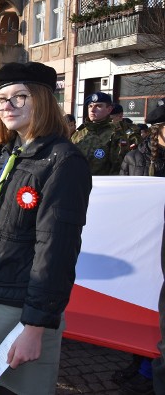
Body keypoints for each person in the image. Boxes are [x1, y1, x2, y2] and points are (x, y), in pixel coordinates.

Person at [0, 62, 92, 395]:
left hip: (26, 307)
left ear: (44, 101)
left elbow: (56, 251)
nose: (7, 105)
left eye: (20, 96)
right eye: (2, 98)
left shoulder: (63, 161)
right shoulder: (13, 154)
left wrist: (34, 328)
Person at [117, 104, 165, 394]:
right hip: (143, 243)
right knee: (143, 304)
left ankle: (151, 370)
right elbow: (124, 197)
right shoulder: (135, 157)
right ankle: (140, 364)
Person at [71, 92, 129, 175]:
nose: (92, 110)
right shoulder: (78, 134)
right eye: (90, 106)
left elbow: (118, 167)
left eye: (98, 106)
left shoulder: (115, 134)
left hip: (101, 184)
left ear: (109, 109)